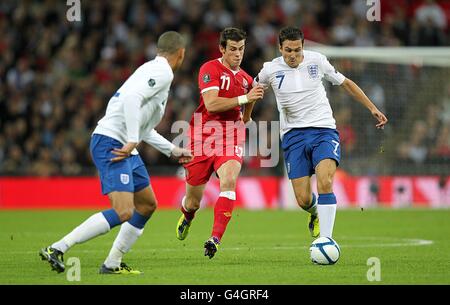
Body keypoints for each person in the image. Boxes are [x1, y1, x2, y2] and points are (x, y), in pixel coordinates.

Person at [39, 31, 193, 274]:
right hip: (112, 142)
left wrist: (172, 150)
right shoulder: (162, 72)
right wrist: (132, 140)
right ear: (181, 54)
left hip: (123, 146)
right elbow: (131, 99)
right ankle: (57, 247)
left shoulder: (151, 70)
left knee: (147, 204)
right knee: (124, 211)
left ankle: (112, 263)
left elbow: (145, 128)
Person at [252, 26, 387, 239]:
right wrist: (245, 116)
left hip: (323, 130)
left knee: (325, 181)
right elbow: (253, 91)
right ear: (279, 48)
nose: (293, 55)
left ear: (303, 47)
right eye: (288, 50)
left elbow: (346, 84)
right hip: (293, 136)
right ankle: (314, 213)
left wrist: (372, 108)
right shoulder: (269, 69)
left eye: (297, 50)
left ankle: (326, 240)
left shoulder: (317, 60)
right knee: (303, 199)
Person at [175, 27, 264, 258]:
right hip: (202, 138)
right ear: (222, 49)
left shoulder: (246, 79)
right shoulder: (209, 69)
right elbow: (212, 104)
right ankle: (187, 215)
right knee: (193, 201)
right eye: (233, 49)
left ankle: (215, 239)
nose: (238, 54)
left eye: (241, 49)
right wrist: (246, 98)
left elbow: (252, 95)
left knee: (229, 180)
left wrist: (246, 114)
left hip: (231, 136)